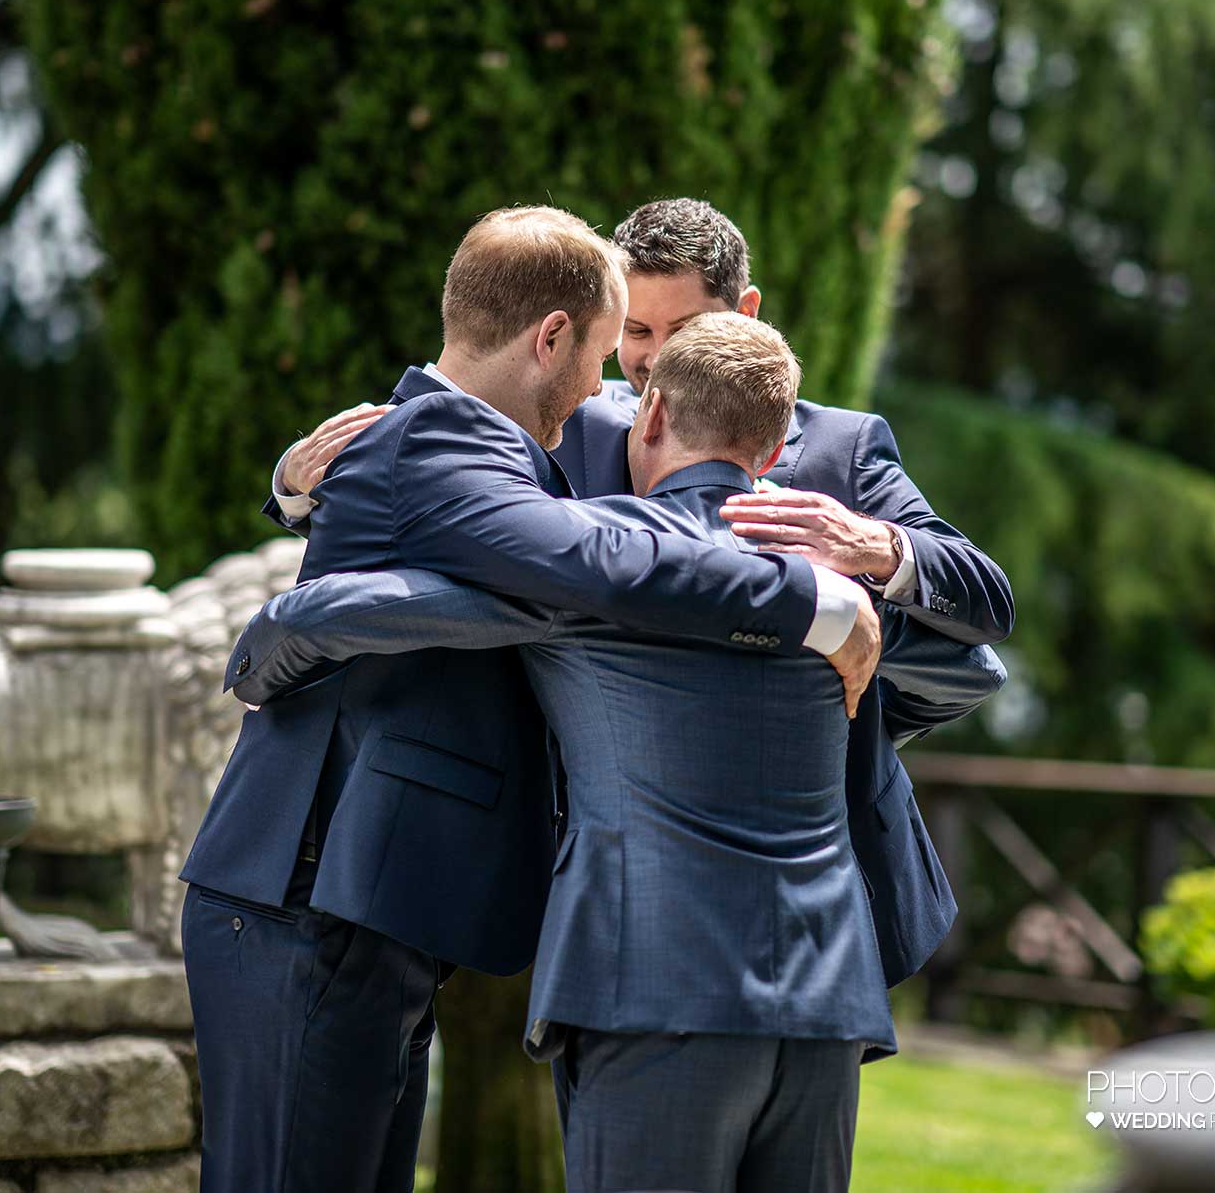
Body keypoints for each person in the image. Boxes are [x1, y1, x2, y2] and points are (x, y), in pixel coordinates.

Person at [179, 206, 883, 1193]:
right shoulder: (445, 438)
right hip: (304, 895)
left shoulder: (473, 449)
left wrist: (303, 596)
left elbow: (486, 588)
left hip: (362, 908)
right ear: (549, 336)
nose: (607, 388)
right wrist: (811, 596)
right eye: (603, 353)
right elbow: (586, 564)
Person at [276, 196, 1015, 988]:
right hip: (598, 864)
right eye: (635, 332)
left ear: (748, 313)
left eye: (684, 330)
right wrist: (293, 491)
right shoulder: (567, 422)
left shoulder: (842, 450)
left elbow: (984, 603)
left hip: (814, 872)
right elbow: (432, 487)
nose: (655, 360)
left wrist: (875, 550)